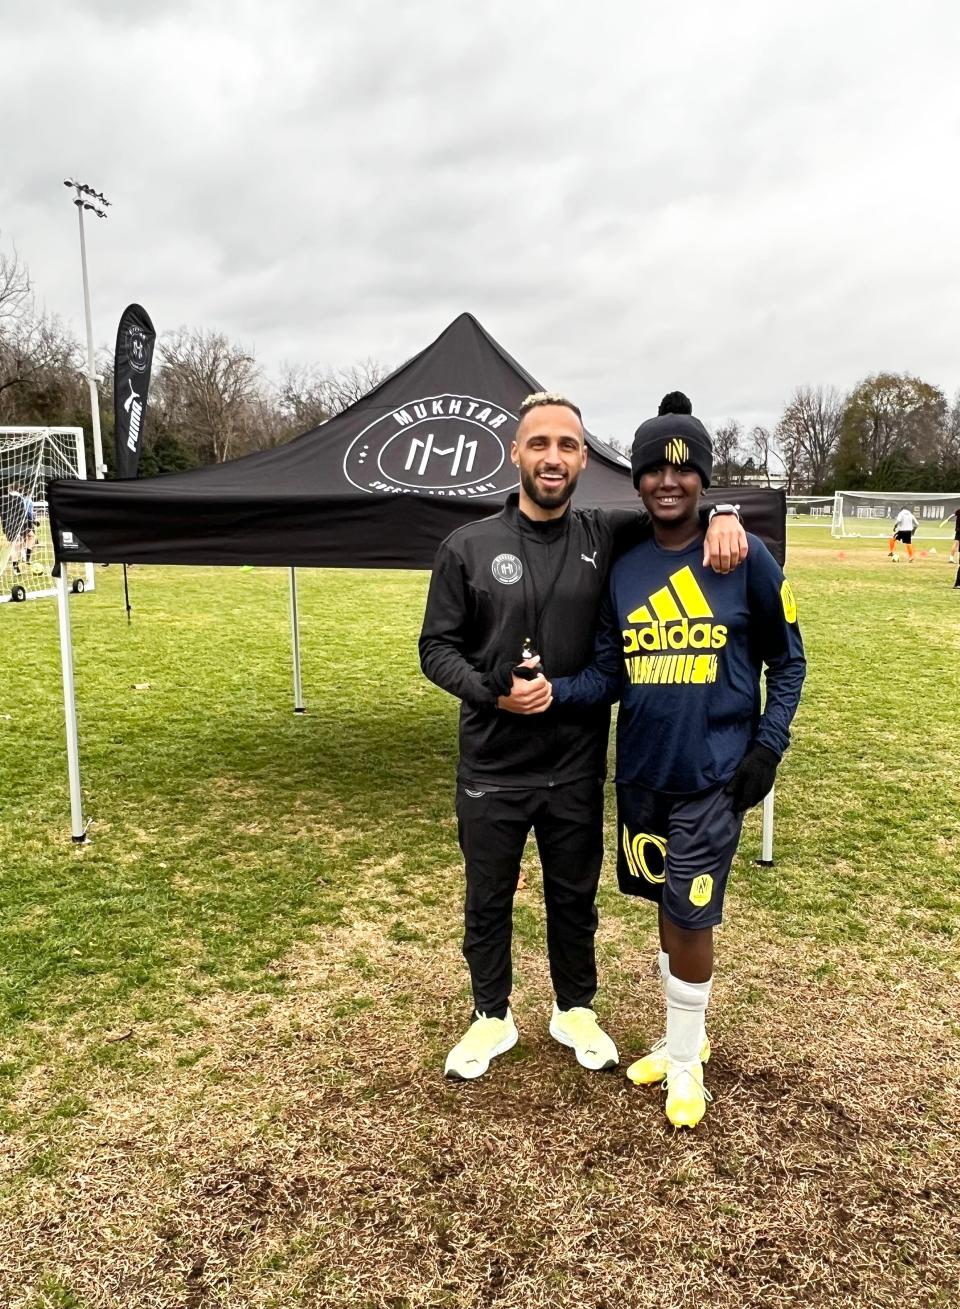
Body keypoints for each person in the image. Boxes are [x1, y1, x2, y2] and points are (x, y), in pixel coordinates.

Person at [418, 391, 746, 1081]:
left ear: (583, 458)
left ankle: (574, 1006)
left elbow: (676, 504)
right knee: (488, 895)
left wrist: (724, 512)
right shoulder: (467, 546)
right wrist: (490, 686)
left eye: (567, 445)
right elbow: (435, 648)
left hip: (573, 767)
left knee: (573, 895)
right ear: (516, 452)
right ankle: (490, 1015)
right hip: (492, 767)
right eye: (539, 443)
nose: (553, 458)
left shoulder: (605, 533)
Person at [546, 403, 806, 1127]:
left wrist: (767, 746)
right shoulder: (625, 570)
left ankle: (688, 1066)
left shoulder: (742, 554)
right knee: (666, 908)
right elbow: (608, 676)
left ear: (703, 479)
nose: (669, 479)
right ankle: (680, 1035)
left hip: (712, 776)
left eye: (684, 467)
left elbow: (790, 661)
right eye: (656, 466)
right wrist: (551, 692)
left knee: (691, 916)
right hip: (642, 778)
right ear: (636, 479)